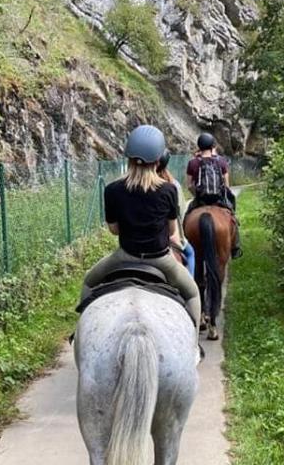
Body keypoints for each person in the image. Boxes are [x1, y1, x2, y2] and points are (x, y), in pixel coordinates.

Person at [81, 125, 202, 334]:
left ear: (128, 158)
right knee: (192, 293)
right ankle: (193, 343)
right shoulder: (169, 189)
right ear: (158, 160)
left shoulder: (112, 190)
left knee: (89, 282)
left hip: (124, 256)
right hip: (161, 260)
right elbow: (172, 229)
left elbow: (114, 230)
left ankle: (80, 334)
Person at [185, 132, 242, 258]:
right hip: (218, 200)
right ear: (212, 146)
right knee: (232, 218)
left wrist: (197, 195)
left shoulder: (193, 163)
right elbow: (227, 186)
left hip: (200, 201)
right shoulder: (221, 161)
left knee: (187, 217)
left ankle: (184, 243)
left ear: (199, 146)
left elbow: (189, 185)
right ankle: (236, 247)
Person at [156, 150, 196, 277]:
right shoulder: (173, 186)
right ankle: (191, 280)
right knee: (190, 253)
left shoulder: (133, 186)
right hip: (167, 238)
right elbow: (182, 214)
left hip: (133, 246)